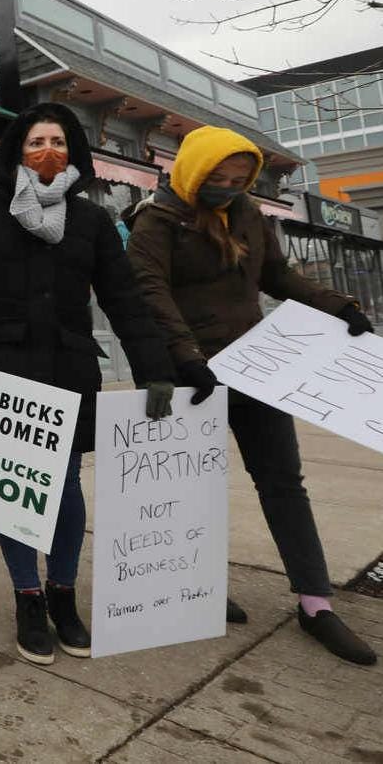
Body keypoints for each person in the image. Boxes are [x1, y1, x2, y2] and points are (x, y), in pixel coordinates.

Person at [126, 125, 377, 666]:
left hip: (256, 369)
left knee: (284, 482)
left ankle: (315, 603)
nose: (228, 186)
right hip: (193, 373)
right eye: (218, 177)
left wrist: (338, 307)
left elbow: (279, 277)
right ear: (193, 170)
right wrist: (187, 357)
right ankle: (199, 587)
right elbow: (150, 291)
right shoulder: (156, 221)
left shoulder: (248, 216)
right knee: (193, 487)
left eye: (239, 179)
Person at [0, 103, 175, 665]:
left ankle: (62, 594)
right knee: (13, 485)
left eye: (60, 142)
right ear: (19, 149)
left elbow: (124, 299)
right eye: (38, 140)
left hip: (68, 370)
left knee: (64, 485)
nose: (49, 150)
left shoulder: (90, 221)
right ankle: (26, 596)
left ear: (74, 152)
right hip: (0, 369)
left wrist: (154, 369)